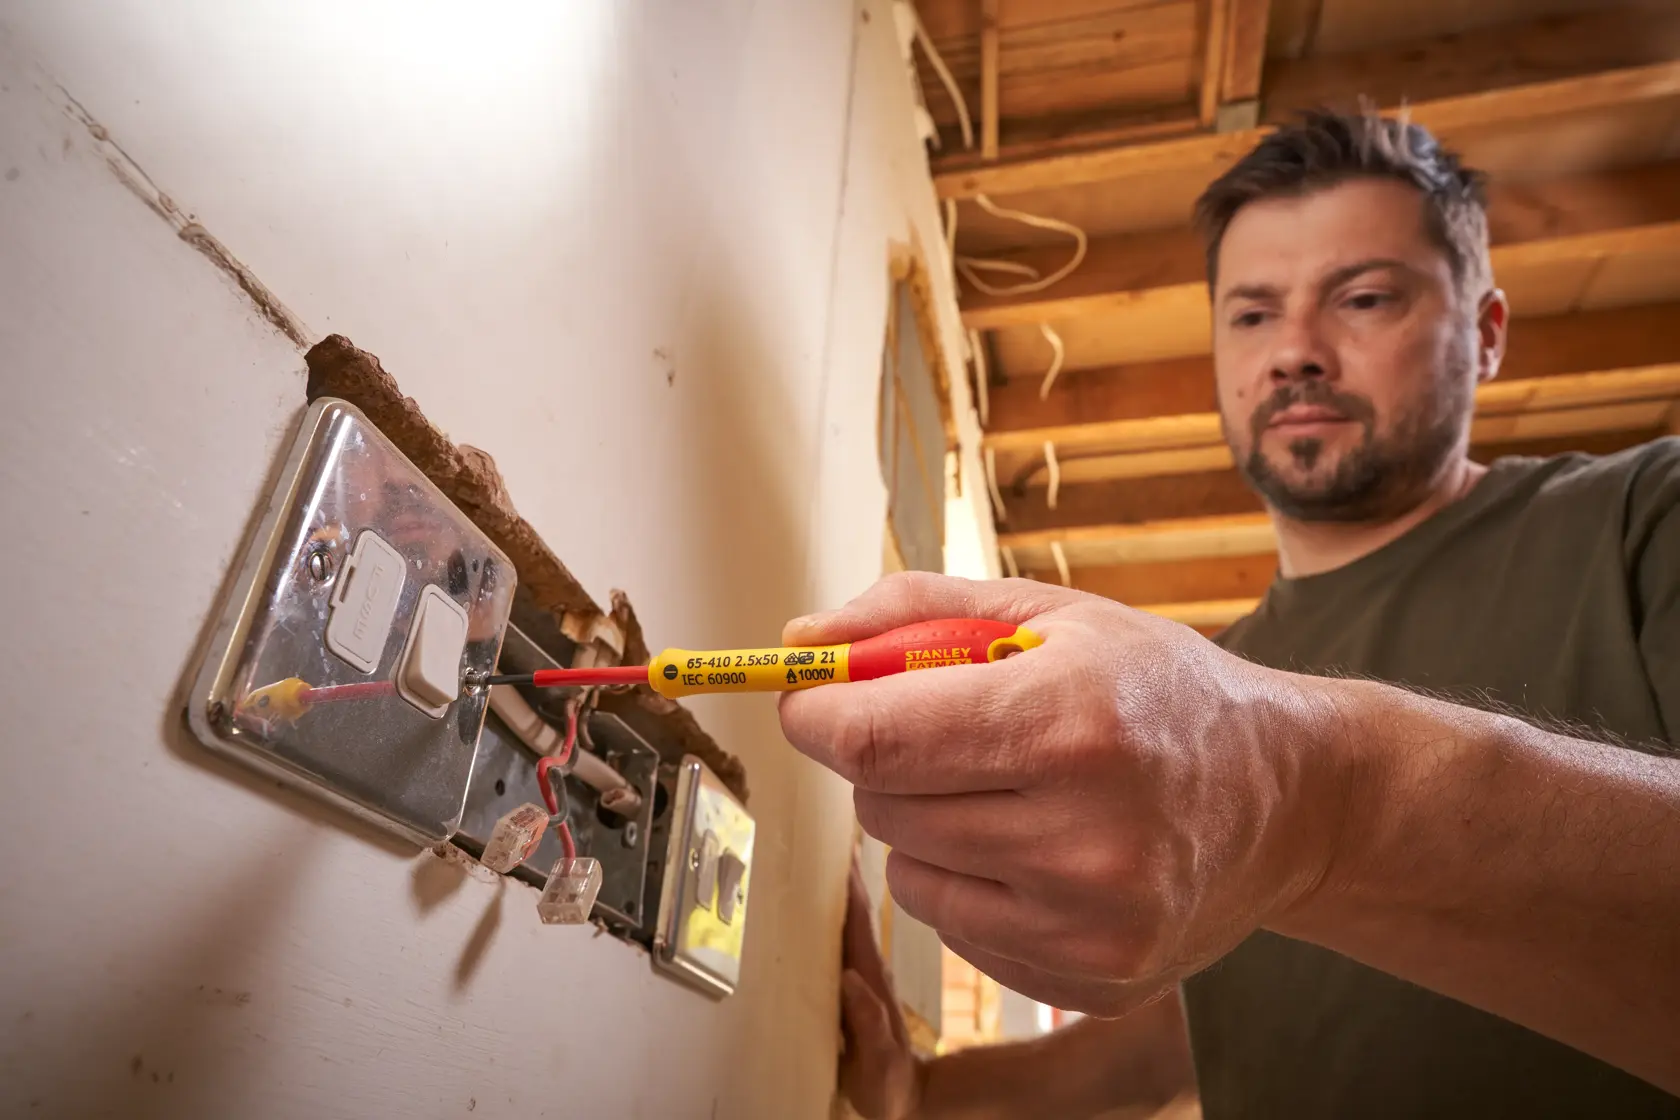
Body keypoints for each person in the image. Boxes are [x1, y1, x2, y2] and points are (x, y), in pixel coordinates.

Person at [778, 109, 1680, 1118]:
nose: (1295, 351)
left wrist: (1305, 801)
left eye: (1365, 298)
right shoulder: (1218, 684)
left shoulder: (1645, 517)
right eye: (1252, 314)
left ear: (1486, 332)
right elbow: (1184, 1033)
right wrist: (917, 1092)